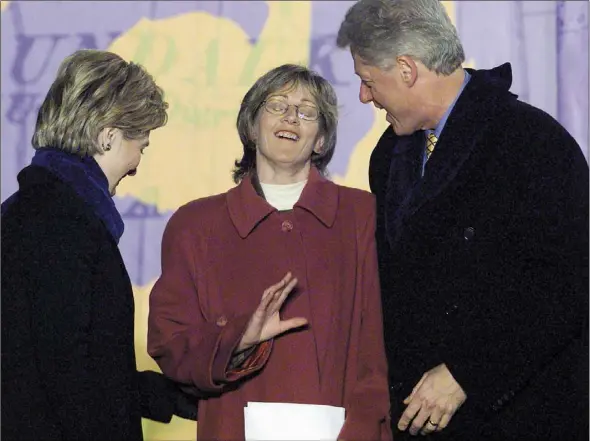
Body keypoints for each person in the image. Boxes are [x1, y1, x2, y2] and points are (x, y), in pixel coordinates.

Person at [337, 0, 589, 440]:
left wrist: (466, 373)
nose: (364, 97)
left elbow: (567, 286)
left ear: (406, 69)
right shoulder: (389, 155)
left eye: (367, 81)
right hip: (419, 422)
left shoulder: (534, 143)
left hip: (520, 418)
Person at [147, 64, 392, 441]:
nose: (291, 116)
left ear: (321, 141)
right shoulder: (194, 225)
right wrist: (237, 341)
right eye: (277, 105)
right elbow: (170, 344)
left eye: (307, 111)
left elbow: (379, 349)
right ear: (250, 126)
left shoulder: (363, 216)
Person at [1, 49, 197, 441]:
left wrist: (169, 397)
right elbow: (68, 382)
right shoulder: (61, 224)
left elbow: (83, 371)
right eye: (140, 145)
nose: (137, 165)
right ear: (108, 137)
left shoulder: (36, 211)